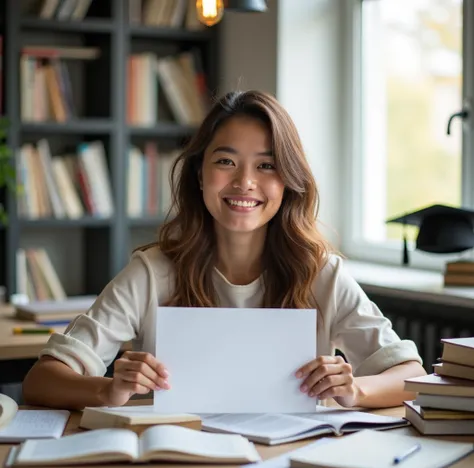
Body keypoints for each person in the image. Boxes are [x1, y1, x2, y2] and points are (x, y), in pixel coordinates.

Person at [22, 90, 426, 410]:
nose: (245, 182)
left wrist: (355, 390)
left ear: (288, 182)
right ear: (200, 174)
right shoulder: (152, 271)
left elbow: (410, 375)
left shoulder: (322, 273)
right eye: (226, 162)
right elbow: (41, 381)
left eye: (266, 166)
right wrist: (108, 389)